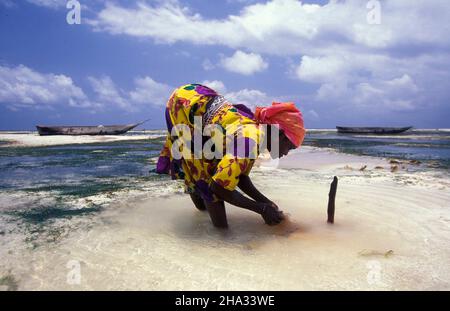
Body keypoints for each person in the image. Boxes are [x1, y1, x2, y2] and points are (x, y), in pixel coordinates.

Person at [156, 84, 305, 228]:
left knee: (205, 193)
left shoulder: (258, 136)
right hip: (184, 103)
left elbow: (240, 177)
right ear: (278, 134)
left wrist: (267, 203)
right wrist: (261, 209)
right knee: (204, 177)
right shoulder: (250, 140)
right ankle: (219, 243)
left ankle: (201, 221)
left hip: (202, 104)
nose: (286, 153)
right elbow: (218, 187)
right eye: (289, 147)